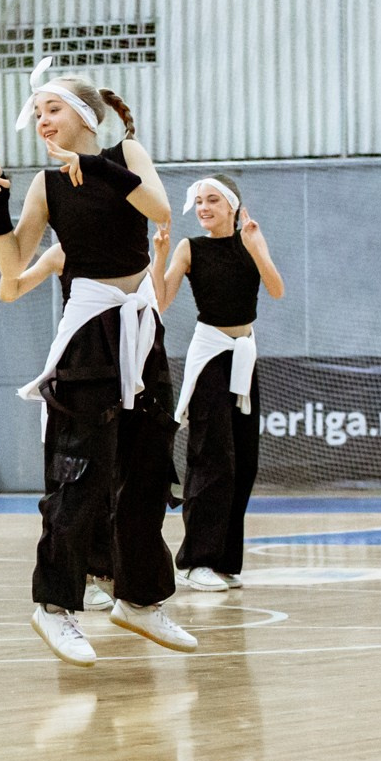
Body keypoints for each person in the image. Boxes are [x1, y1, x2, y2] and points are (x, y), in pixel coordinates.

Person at [0, 72, 194, 666]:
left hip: (142, 330)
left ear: (83, 116)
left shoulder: (125, 156)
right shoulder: (45, 185)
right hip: (89, 337)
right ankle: (54, 606)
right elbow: (14, 264)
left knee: (148, 473)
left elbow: (160, 209)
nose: (42, 121)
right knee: (79, 479)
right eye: (37, 113)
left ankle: (139, 600)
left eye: (51, 109)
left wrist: (93, 166)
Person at [158, 174, 285, 592]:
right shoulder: (189, 248)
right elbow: (161, 301)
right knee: (212, 460)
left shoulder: (250, 241)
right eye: (198, 202)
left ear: (232, 205)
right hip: (211, 355)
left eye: (212, 200)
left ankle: (226, 561)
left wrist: (257, 249)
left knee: (244, 462)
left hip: (245, 355)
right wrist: (159, 256)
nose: (204, 208)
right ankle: (195, 561)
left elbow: (276, 289)